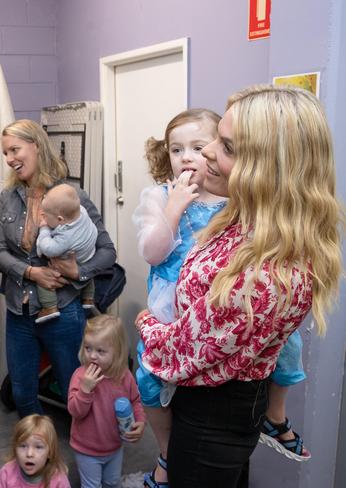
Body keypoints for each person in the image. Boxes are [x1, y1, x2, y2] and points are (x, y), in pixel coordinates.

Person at [136, 85, 342, 488]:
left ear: (266, 167)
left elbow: (182, 355)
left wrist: (146, 326)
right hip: (209, 400)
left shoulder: (264, 270)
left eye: (225, 145)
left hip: (212, 419)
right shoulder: (240, 221)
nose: (207, 152)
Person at [0, 119, 117, 417]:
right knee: (22, 392)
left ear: (36, 145)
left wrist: (78, 273)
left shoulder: (72, 196)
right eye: (5, 153)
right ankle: (40, 455)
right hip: (18, 311)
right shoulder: (8, 198)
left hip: (63, 312)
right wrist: (31, 273)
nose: (10, 159)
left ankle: (91, 454)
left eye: (15, 150)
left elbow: (107, 252)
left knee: (74, 389)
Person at [131, 108, 226, 487]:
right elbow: (152, 253)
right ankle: (167, 451)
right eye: (175, 149)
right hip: (168, 308)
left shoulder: (233, 200)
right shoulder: (158, 195)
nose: (185, 156)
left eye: (198, 147)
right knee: (150, 382)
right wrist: (173, 209)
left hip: (211, 312)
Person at [68, 314, 146, 488]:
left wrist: (140, 421)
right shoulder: (80, 376)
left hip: (114, 447)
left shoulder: (124, 377)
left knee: (112, 482)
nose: (92, 356)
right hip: (86, 449)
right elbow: (75, 411)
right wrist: (85, 390)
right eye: (88, 348)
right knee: (91, 485)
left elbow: (135, 401)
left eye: (100, 351)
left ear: (117, 352)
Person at [35, 183, 98, 323]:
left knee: (44, 280)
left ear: (60, 220)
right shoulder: (81, 211)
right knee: (87, 269)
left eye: (45, 216)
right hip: (88, 252)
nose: (42, 216)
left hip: (69, 263)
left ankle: (50, 307)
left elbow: (47, 248)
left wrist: (44, 229)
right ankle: (88, 297)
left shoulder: (65, 237)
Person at [0, 414, 70, 488]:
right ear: (15, 449)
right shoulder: (6, 473)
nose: (29, 454)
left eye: (38, 447)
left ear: (50, 452)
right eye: (23, 446)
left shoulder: (59, 480)